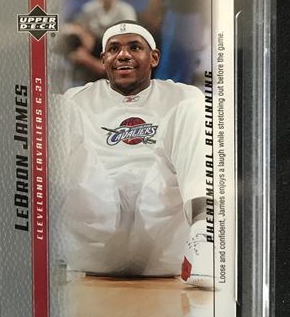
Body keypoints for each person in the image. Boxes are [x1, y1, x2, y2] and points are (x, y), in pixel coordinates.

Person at [61, 20, 214, 287]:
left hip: (164, 239)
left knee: (195, 105)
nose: (123, 55)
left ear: (154, 57)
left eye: (134, 47)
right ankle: (38, 247)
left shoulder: (182, 97)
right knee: (55, 107)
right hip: (95, 233)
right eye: (114, 49)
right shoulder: (77, 99)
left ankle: (204, 239)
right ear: (103, 60)